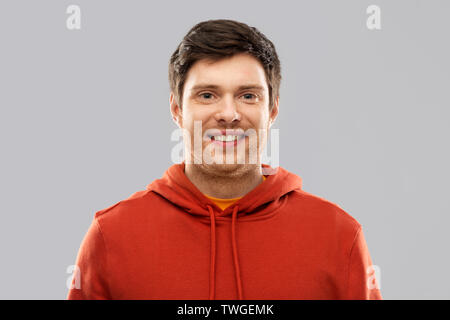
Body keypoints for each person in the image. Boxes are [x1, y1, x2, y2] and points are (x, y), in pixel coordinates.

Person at [67, 19, 382, 300]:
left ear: (272, 110)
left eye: (248, 96)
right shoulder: (112, 236)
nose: (229, 114)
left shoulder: (338, 235)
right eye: (207, 95)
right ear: (177, 110)